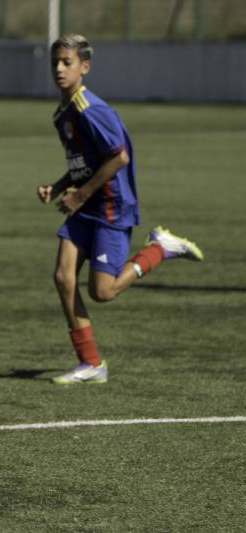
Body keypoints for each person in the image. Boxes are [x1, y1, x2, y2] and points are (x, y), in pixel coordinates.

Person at [38, 34, 204, 385]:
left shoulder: (90, 109)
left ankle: (160, 248)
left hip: (111, 205)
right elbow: (86, 162)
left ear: (85, 67)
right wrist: (57, 186)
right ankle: (91, 363)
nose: (59, 69)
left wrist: (80, 195)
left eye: (66, 62)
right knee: (63, 277)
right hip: (87, 201)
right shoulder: (63, 112)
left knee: (103, 291)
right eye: (55, 62)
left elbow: (118, 158)